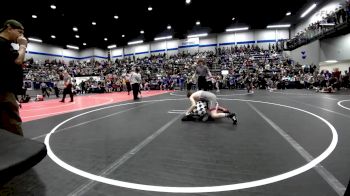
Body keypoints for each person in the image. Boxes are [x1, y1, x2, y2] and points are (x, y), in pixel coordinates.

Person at [0, 19, 27, 136]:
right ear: (9, 28)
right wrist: (22, 46)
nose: (21, 36)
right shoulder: (2, 43)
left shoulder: (6, 45)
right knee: (13, 125)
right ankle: (20, 152)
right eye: (19, 32)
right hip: (4, 92)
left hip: (6, 90)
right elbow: (18, 60)